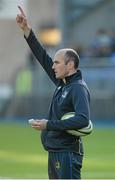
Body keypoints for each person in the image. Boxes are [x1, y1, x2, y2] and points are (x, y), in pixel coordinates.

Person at [16, 6, 91, 179]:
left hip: (68, 153)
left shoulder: (78, 87)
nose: (53, 66)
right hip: (55, 150)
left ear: (70, 65)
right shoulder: (62, 83)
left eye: (57, 62)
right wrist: (27, 30)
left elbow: (83, 119)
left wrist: (48, 124)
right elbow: (42, 57)